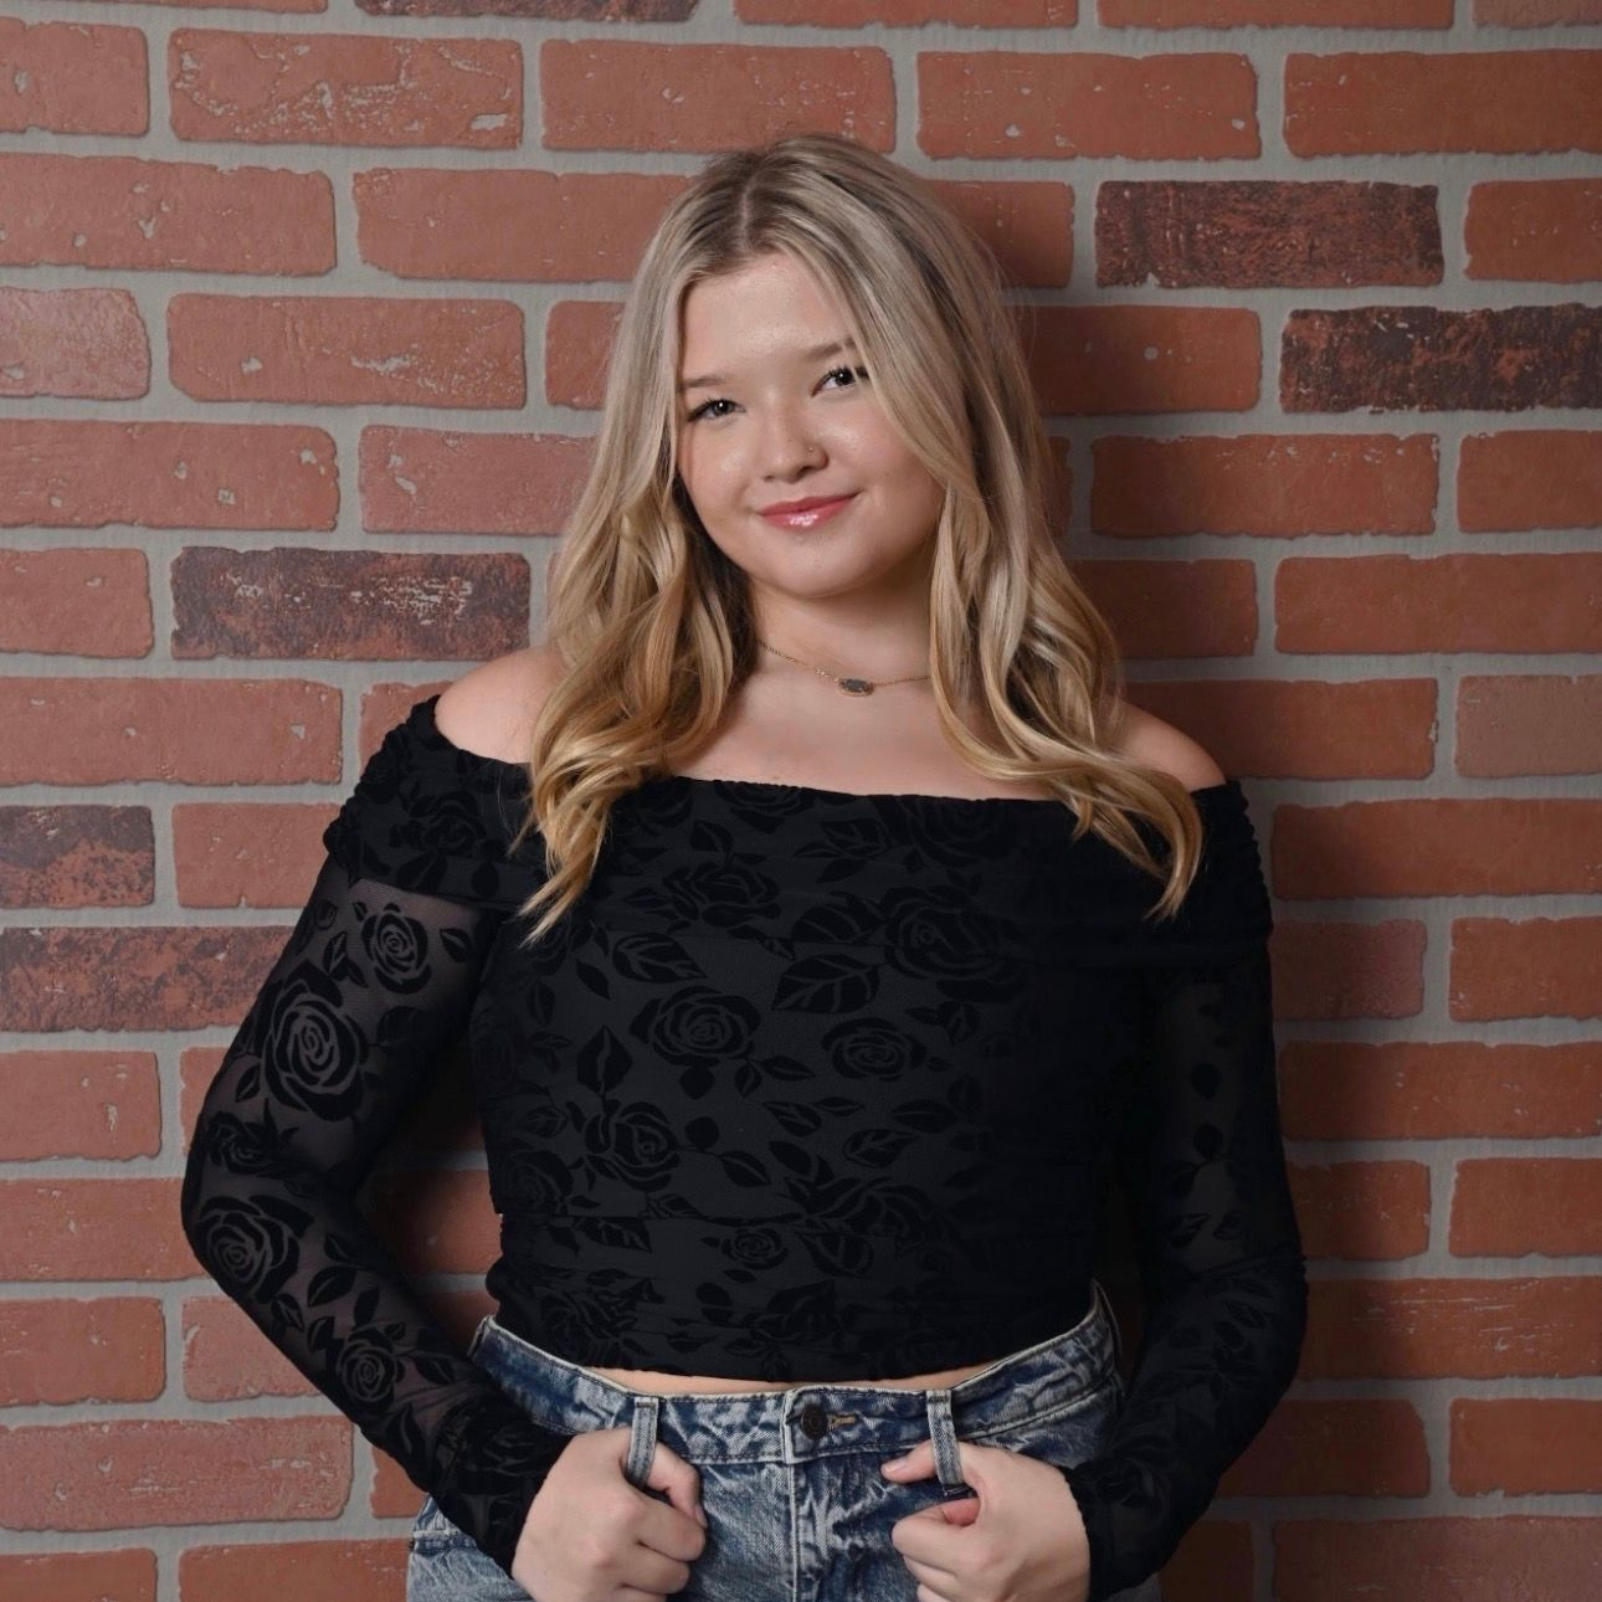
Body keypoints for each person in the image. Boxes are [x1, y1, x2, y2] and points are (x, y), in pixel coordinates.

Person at [180, 131, 1307, 1602]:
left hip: (990, 1533)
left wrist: (1111, 1519)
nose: (779, 451)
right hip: (607, 1534)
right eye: (715, 404)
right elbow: (254, 1177)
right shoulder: (523, 745)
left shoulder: (1137, 793)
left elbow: (1232, 1268)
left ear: (950, 377)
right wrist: (513, 1491)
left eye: (838, 376)